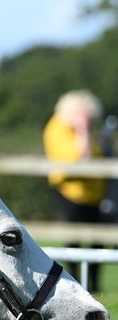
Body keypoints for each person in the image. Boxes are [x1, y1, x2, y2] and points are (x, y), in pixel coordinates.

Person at [44, 90, 108, 291]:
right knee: (75, 239)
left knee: (99, 240)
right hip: (71, 193)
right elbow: (81, 158)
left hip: (94, 195)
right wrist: (83, 129)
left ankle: (94, 285)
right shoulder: (59, 129)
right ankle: (74, 281)